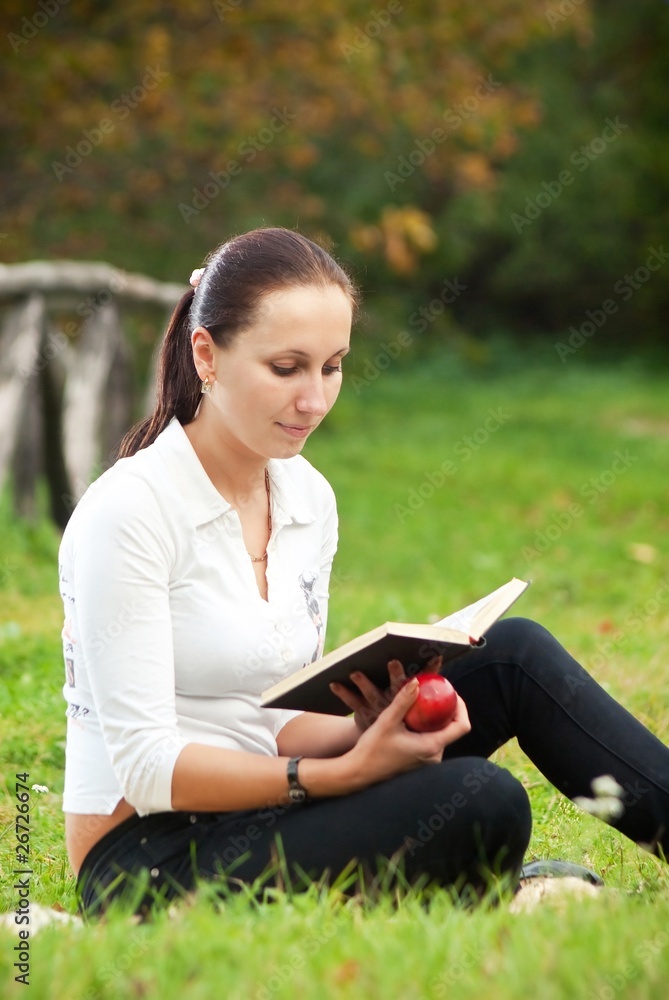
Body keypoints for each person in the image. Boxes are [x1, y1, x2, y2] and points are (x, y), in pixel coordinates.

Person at [59, 227, 669, 919]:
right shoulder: (129, 513)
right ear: (207, 354)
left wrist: (369, 726)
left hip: (273, 801)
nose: (315, 400)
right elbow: (145, 769)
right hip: (154, 855)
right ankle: (486, 881)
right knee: (483, 799)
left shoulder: (305, 497)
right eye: (286, 368)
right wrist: (340, 774)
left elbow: (271, 714)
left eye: (332, 366)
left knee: (511, 653)